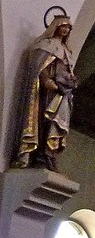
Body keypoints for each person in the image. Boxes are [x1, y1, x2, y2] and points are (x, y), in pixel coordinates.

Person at [11, 9, 77, 171]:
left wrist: (71, 81)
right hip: (48, 91)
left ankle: (49, 154)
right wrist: (46, 79)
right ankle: (39, 153)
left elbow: (68, 70)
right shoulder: (46, 44)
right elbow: (39, 66)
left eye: (68, 28)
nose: (65, 30)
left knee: (57, 122)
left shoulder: (66, 50)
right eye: (63, 26)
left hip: (62, 92)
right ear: (55, 27)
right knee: (44, 119)